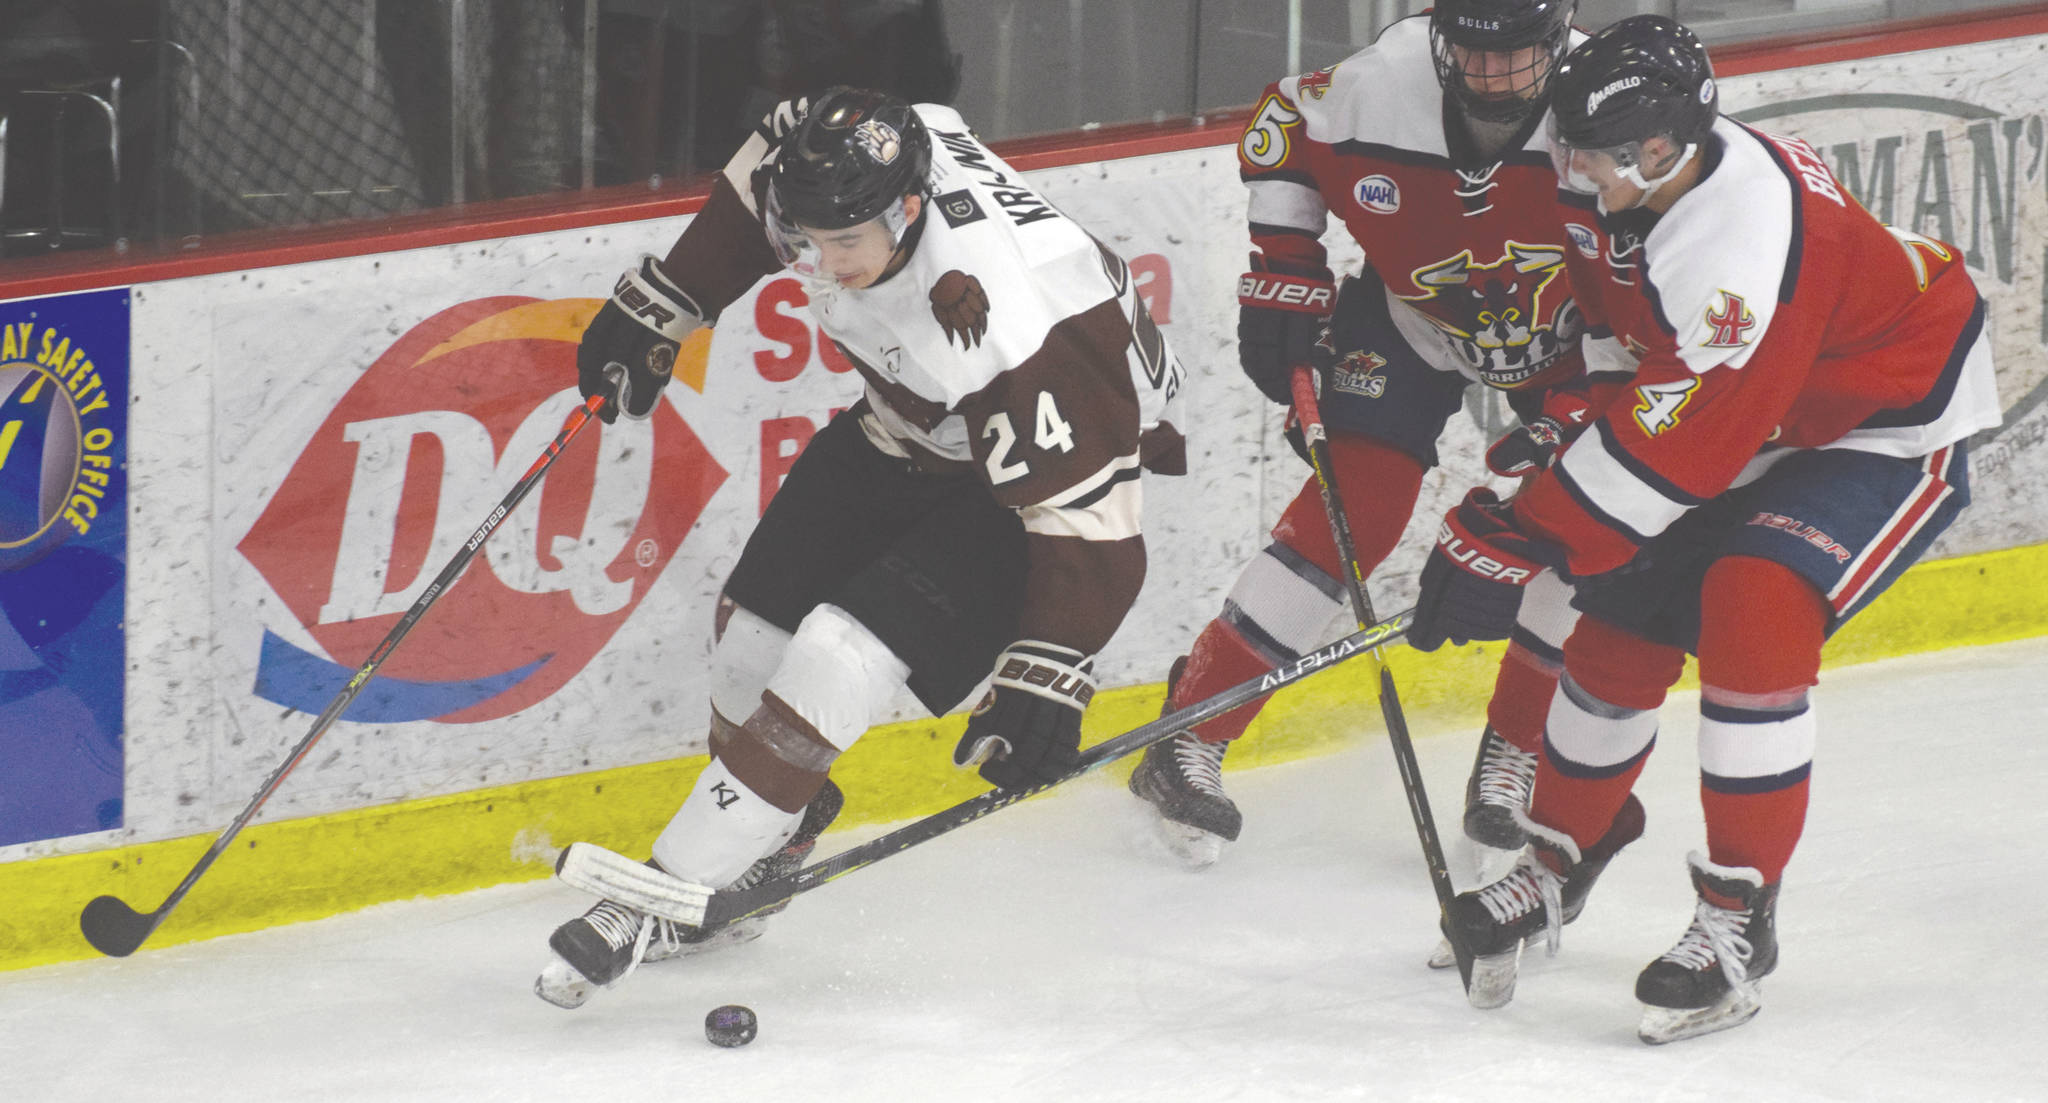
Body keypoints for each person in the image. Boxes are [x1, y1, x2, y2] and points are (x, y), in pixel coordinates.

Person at [1410, 15, 2000, 1042]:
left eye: (1598, 157)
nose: (1577, 173)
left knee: (1752, 601)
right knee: (1617, 619)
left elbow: (1685, 442)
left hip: (1882, 420)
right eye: (1575, 150)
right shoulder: (1603, 170)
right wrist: (1562, 449)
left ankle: (1736, 915)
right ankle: (1558, 856)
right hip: (1753, 412)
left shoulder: (1744, 236)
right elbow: (1619, 339)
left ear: (1661, 147)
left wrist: (1526, 531)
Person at [535, 86, 1188, 1008]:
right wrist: (669, 302)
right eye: (807, 239)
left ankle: (666, 895)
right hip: (908, 428)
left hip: (1040, 478)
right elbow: (768, 159)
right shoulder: (835, 174)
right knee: (748, 643)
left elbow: (1096, 524)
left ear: (910, 209)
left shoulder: (1012, 316)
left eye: (845, 245)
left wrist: (1049, 672)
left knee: (840, 654)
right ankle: (780, 828)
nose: (821, 265)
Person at [1127, 0, 1625, 870]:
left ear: (1560, 36)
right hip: (1413, 319)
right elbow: (1282, 121)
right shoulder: (1379, 84)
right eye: (1473, 50)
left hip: (1580, 341)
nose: (1493, 75)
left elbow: (1660, 265)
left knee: (1574, 523)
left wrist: (1588, 404)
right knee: (1357, 506)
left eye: (1516, 54)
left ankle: (1513, 752)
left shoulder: (1612, 105)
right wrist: (1286, 268)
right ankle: (1190, 732)